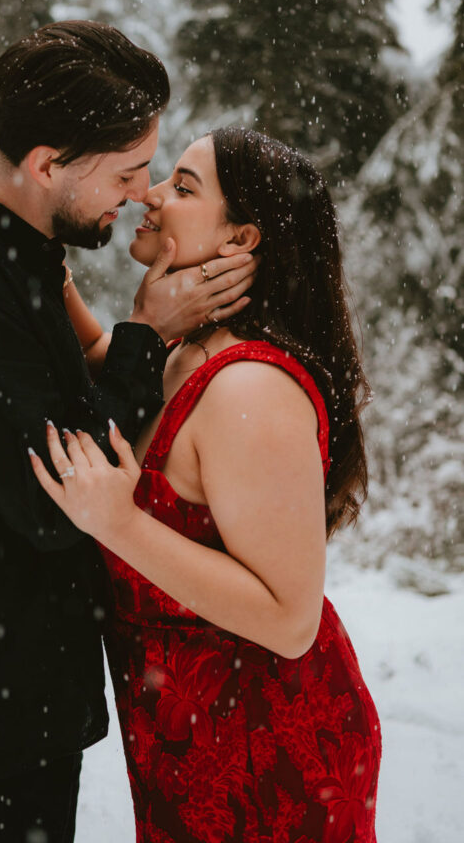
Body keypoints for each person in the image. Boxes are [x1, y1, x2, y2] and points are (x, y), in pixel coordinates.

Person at [0, 23, 257, 843]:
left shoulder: (12, 260)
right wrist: (145, 328)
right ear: (46, 165)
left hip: (2, 692)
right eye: (127, 172)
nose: (142, 193)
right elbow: (60, 495)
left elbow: (69, 414)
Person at [32, 126, 382, 842]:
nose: (151, 193)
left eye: (184, 188)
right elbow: (108, 359)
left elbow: (290, 621)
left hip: (265, 750)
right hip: (192, 738)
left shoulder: (248, 388)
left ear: (240, 239)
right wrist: (43, 263)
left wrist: (120, 524)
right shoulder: (189, 351)